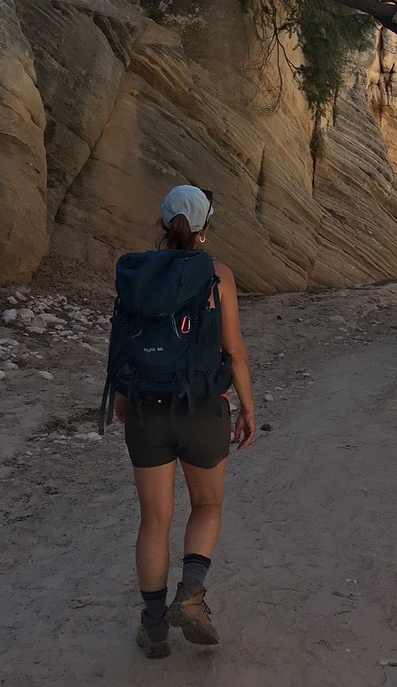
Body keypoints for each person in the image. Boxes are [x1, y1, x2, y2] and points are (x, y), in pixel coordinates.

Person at [113, 185, 256, 658]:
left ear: (163, 223)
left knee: (154, 518)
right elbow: (233, 350)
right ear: (204, 228)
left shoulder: (136, 272)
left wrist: (122, 403)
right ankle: (191, 597)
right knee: (207, 505)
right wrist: (248, 406)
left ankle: (154, 626)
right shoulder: (218, 274)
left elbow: (121, 343)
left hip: (145, 409)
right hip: (200, 407)